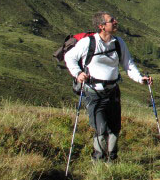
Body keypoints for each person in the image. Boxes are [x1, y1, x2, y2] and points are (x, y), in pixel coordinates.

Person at [65, 11, 152, 162]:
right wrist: (78, 73)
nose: (116, 21)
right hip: (94, 93)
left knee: (114, 129)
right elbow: (69, 57)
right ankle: (99, 162)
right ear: (102, 26)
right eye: (111, 20)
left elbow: (128, 64)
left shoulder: (118, 43)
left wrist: (140, 79)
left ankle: (112, 160)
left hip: (113, 92)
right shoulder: (89, 43)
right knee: (101, 129)